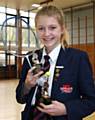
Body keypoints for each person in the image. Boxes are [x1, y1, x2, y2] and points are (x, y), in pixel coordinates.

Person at [16, 5, 95, 120]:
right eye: (41, 28)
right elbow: (20, 98)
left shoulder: (78, 59)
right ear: (36, 30)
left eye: (52, 27)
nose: (46, 34)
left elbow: (92, 101)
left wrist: (66, 109)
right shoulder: (30, 59)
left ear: (62, 29)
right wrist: (27, 86)